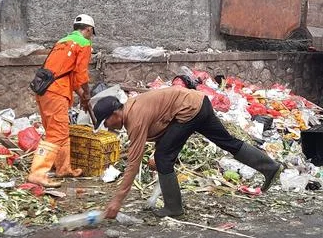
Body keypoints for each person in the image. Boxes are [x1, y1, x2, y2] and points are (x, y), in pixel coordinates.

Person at [92, 87, 283, 219]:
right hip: (200, 103)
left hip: (190, 110)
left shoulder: (135, 118)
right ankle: (270, 168)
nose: (107, 128)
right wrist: (159, 151)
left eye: (105, 122)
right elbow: (165, 123)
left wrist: (117, 201)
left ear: (115, 114)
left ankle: (173, 207)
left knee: (163, 159)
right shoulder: (134, 108)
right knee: (228, 142)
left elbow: (134, 162)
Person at [26, 14, 96, 188]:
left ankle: (64, 168)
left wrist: (81, 95)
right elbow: (81, 75)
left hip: (45, 91)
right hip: (56, 92)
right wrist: (86, 93)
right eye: (91, 33)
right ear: (88, 29)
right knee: (56, 134)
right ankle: (38, 173)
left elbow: (68, 75)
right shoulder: (84, 44)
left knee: (60, 131)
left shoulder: (62, 42)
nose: (91, 36)